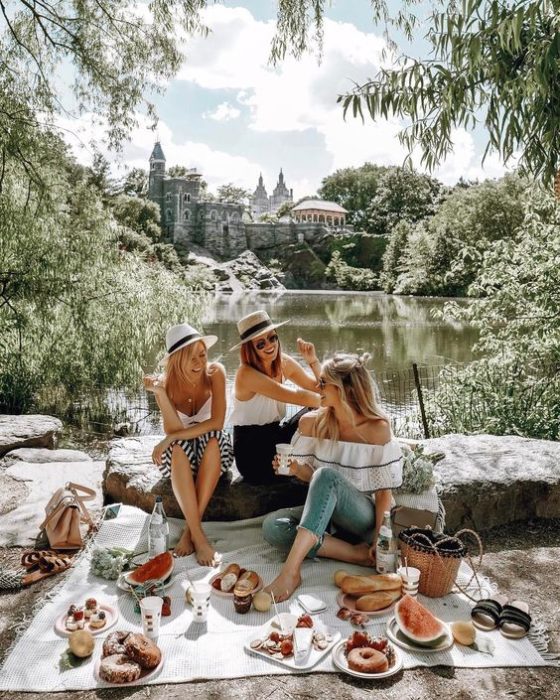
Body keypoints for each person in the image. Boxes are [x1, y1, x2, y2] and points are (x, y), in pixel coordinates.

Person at [262, 352, 403, 601]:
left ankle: (290, 572)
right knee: (273, 527)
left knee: (326, 475)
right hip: (327, 518)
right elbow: (312, 478)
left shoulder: (377, 429)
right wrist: (295, 469)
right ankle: (352, 554)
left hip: (364, 517)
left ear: (345, 389)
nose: (317, 386)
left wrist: (380, 538)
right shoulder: (312, 423)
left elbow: (383, 493)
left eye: (324, 382)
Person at [143, 322, 233, 566]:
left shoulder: (216, 373)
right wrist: (161, 395)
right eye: (190, 358)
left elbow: (217, 422)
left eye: (202, 355)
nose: (199, 363)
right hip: (182, 458)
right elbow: (173, 429)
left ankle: (189, 533)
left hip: (212, 454)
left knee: (215, 440)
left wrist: (172, 437)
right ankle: (199, 537)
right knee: (179, 450)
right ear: (176, 361)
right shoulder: (166, 383)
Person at [229, 310, 321, 485]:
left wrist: (313, 361)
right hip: (252, 452)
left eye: (272, 338)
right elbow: (295, 396)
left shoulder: (282, 363)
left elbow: (321, 388)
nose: (269, 345)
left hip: (275, 436)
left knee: (318, 411)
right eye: (260, 344)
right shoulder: (246, 374)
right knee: (320, 409)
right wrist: (332, 403)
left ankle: (324, 462)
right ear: (250, 349)